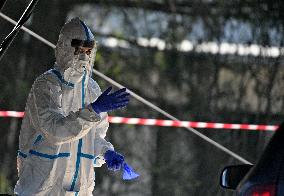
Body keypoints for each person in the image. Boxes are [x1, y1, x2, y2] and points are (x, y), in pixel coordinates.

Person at [14, 17, 130, 196]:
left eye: (88, 50)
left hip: (79, 189)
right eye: (78, 49)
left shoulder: (91, 89)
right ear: (65, 48)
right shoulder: (46, 85)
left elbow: (92, 137)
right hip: (44, 186)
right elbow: (54, 131)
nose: (83, 56)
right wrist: (93, 110)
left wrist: (106, 152)